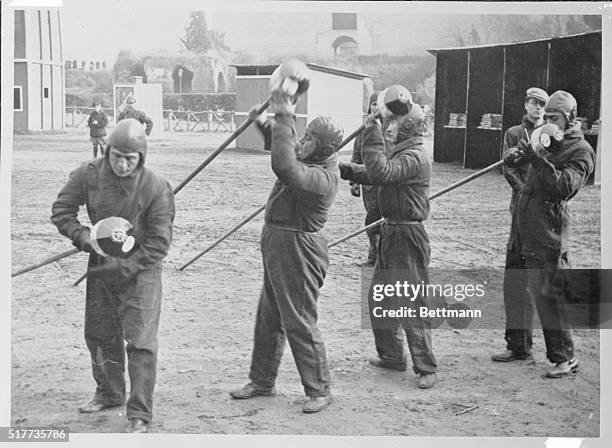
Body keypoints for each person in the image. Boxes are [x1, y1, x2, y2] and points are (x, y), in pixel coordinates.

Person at [50, 118, 175, 432]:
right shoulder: (88, 174)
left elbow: (160, 243)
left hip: (141, 271)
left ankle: (139, 414)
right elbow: (62, 211)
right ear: (107, 152)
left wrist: (127, 267)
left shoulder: (156, 187)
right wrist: (84, 238)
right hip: (102, 265)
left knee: (141, 342)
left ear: (141, 158)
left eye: (130, 159)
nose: (122, 164)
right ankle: (109, 392)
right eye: (116, 156)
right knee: (100, 335)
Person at [230, 89, 343, 414]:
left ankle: (319, 389)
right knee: (269, 317)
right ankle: (262, 381)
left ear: (324, 149)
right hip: (279, 244)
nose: (302, 142)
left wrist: (284, 116)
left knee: (299, 320)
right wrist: (265, 123)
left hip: (299, 249)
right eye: (304, 135)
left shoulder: (322, 177)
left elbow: (283, 164)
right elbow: (286, 148)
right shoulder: (310, 155)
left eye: (310, 139)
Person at [339, 85, 438, 389]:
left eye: (393, 122)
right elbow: (375, 172)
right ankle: (393, 356)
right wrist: (346, 170)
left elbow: (383, 173)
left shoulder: (416, 156)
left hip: (408, 235)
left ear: (406, 126)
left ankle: (426, 367)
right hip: (390, 231)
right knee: (379, 297)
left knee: (411, 302)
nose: (390, 124)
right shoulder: (401, 151)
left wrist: (370, 132)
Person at [504, 90, 595, 378]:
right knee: (515, 285)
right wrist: (515, 155)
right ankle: (518, 345)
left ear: (569, 119)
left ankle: (565, 359)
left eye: (554, 117)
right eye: (547, 116)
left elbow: (563, 187)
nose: (548, 121)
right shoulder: (539, 134)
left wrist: (539, 158)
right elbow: (514, 160)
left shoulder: (581, 151)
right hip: (522, 222)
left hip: (548, 228)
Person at [492, 87, 549, 363]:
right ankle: (518, 345)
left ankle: (557, 351)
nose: (537, 108)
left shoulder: (551, 134)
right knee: (515, 275)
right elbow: (508, 167)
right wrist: (524, 191)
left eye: (542, 104)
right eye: (533, 103)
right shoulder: (514, 133)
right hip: (520, 210)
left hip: (544, 213)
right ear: (525, 104)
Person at [350, 92, 382, 267]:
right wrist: (353, 181)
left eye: (379, 104)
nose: (376, 108)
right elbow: (356, 154)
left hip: (386, 182)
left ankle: (382, 258)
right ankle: (373, 255)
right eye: (374, 104)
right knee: (372, 220)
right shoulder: (364, 129)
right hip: (368, 184)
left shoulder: (391, 128)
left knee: (383, 220)